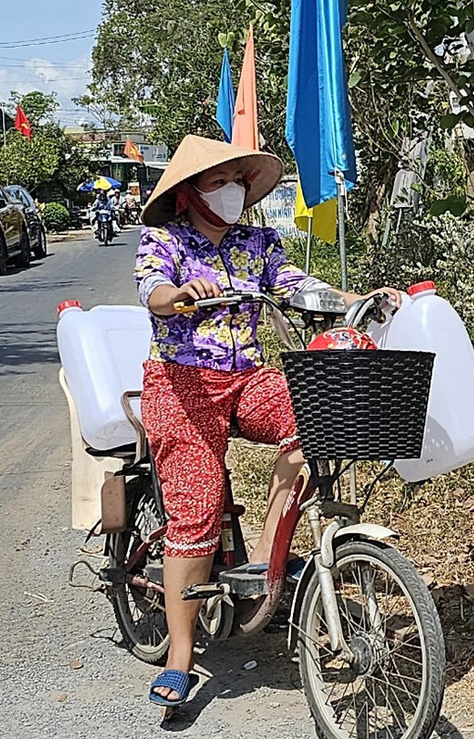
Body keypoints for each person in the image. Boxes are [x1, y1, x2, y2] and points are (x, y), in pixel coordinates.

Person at [134, 134, 400, 706]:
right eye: (218, 182)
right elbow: (153, 290)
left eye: (237, 181)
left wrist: (355, 299)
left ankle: (261, 564)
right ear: (189, 194)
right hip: (181, 385)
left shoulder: (258, 242)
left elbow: (296, 286)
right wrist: (179, 293)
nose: (231, 191)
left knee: (318, 422)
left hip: (249, 378)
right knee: (197, 510)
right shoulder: (164, 239)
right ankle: (181, 655)